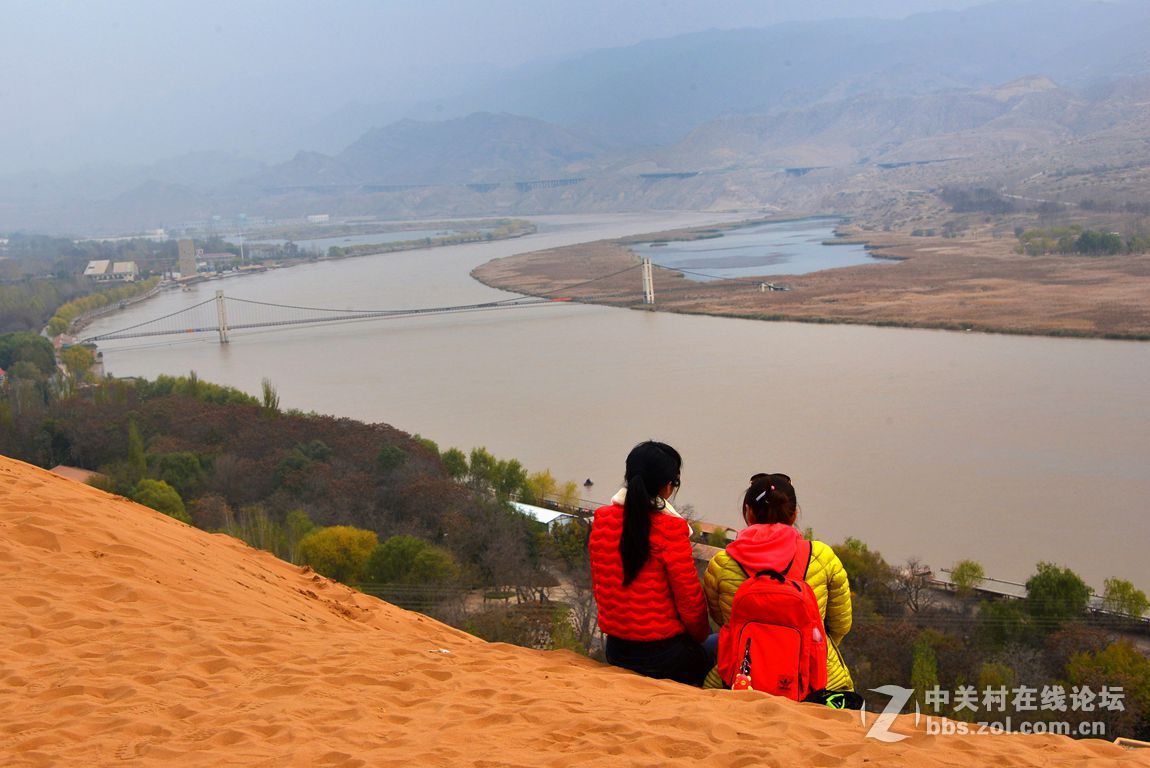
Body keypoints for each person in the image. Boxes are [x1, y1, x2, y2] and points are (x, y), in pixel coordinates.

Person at [702, 472, 853, 692]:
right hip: (817, 682)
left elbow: (722, 619)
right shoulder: (822, 557)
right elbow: (841, 625)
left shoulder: (722, 563)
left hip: (740, 680)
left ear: (748, 512)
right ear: (794, 514)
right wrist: (808, 645)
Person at [588, 440, 711, 685]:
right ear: (668, 486)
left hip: (616, 649)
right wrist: (701, 637)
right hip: (663, 655)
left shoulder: (601, 520)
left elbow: (603, 586)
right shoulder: (670, 529)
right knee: (718, 653)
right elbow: (689, 601)